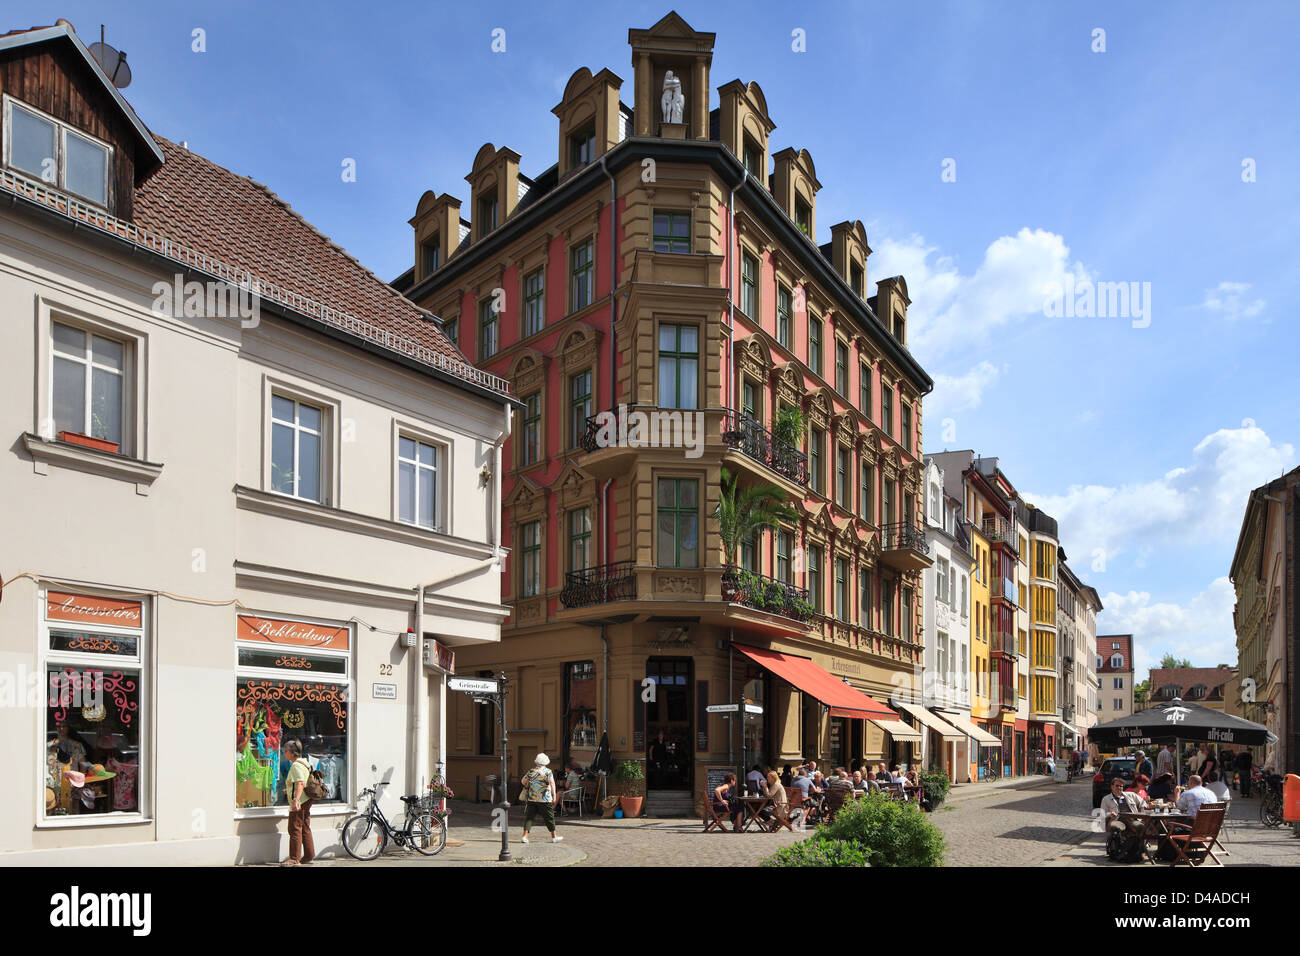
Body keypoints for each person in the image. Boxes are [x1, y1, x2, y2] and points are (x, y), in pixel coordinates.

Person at [281, 739, 314, 866]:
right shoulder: (305, 762)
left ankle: (294, 858)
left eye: (285, 751)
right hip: (307, 799)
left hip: (300, 801)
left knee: (294, 828)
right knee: (305, 827)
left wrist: (295, 800)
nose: (284, 753)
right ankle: (309, 855)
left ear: (291, 752)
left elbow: (300, 783)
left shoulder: (296, 765)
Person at [520, 753, 563, 844]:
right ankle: (554, 837)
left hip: (532, 798)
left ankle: (525, 836)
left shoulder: (531, 771)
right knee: (549, 817)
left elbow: (523, 781)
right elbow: (552, 784)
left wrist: (532, 785)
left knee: (529, 817)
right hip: (545, 799)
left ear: (537, 762)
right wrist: (554, 796)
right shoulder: (548, 772)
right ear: (545, 762)